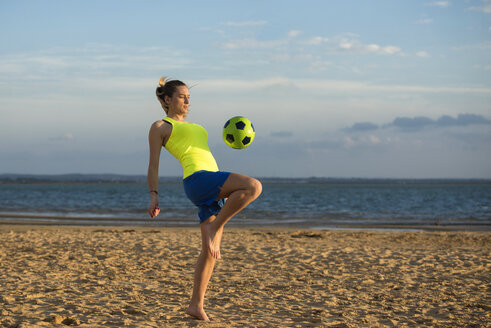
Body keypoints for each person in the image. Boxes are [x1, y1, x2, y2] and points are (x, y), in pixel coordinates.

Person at [147, 77, 262, 321]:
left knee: (210, 251)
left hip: (209, 183)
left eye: (189, 97)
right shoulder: (160, 126)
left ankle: (195, 306)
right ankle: (215, 225)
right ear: (167, 99)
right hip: (198, 180)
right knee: (253, 186)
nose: (188, 101)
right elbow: (153, 165)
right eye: (182, 96)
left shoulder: (193, 125)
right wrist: (154, 196)